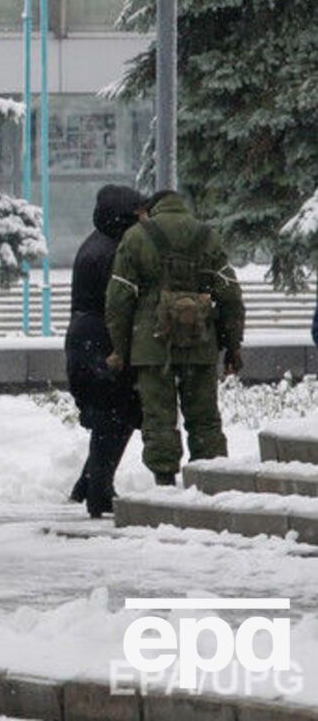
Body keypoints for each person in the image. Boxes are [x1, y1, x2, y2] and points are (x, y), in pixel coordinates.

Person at [105, 191, 245, 485]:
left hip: (152, 344)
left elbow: (119, 299)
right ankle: (211, 482)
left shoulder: (135, 237)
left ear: (151, 209)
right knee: (205, 417)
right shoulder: (208, 236)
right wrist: (233, 346)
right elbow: (230, 296)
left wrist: (120, 348)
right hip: (200, 340)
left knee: (159, 417)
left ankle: (164, 478)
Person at [65, 185, 144, 517]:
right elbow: (120, 301)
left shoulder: (95, 243)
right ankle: (98, 492)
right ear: (125, 214)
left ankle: (88, 483)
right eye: (139, 212)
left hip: (84, 337)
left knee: (110, 415)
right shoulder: (115, 250)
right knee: (116, 414)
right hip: (102, 339)